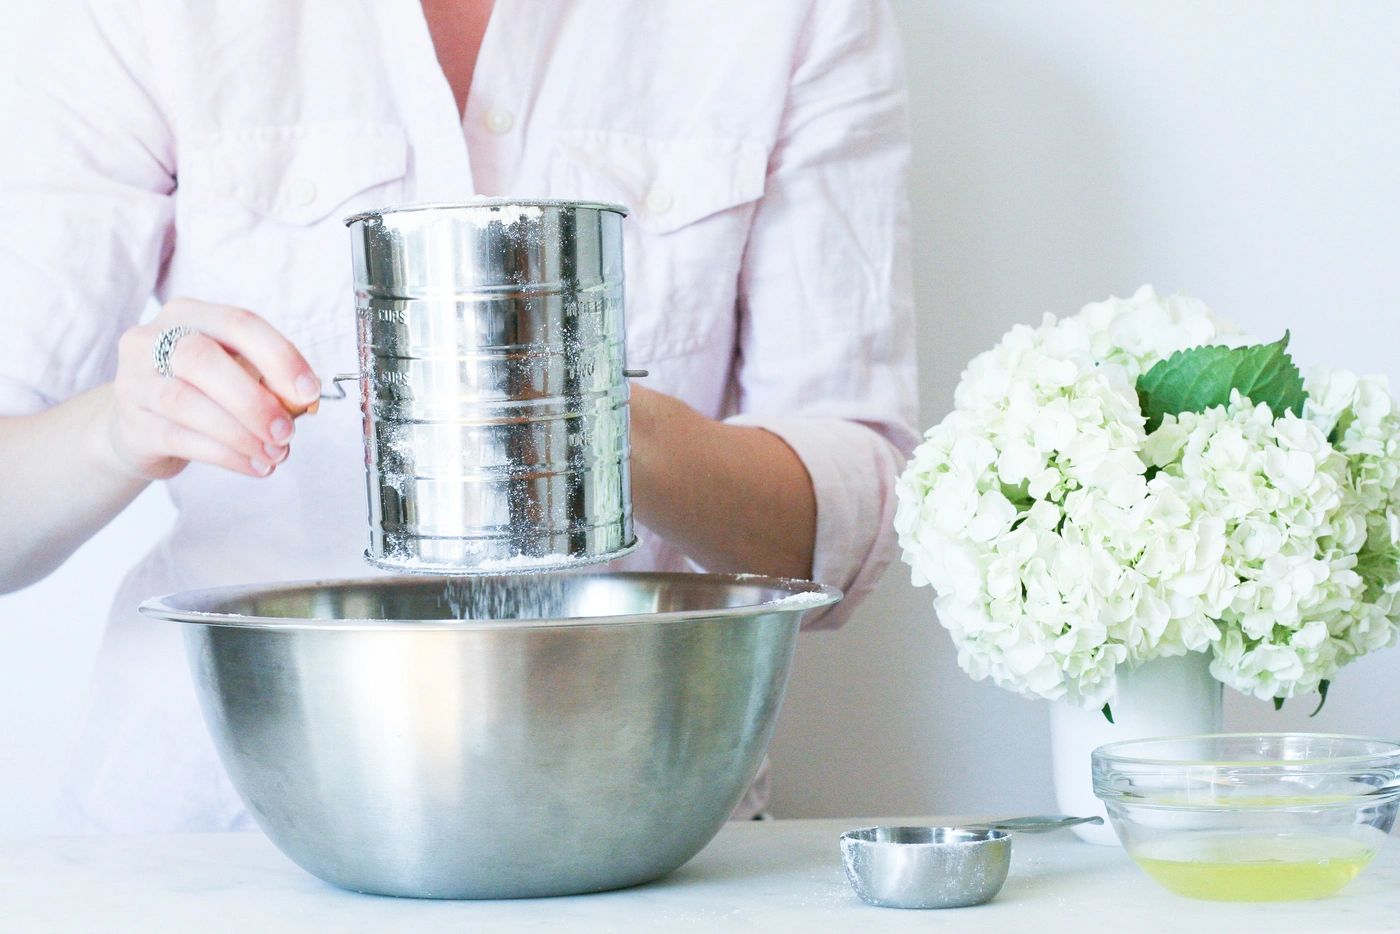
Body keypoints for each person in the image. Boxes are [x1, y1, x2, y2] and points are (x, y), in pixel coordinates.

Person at [0, 0, 916, 832]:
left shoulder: (793, 16)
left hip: (635, 809)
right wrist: (122, 427)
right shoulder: (143, 17)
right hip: (221, 824)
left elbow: (846, 520)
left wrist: (589, 420)